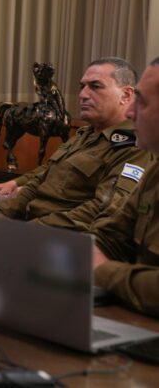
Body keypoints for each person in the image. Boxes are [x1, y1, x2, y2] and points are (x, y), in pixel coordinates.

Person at [0, 58, 152, 230]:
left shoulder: (134, 145)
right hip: (31, 223)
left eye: (95, 86)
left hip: (60, 233)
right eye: (82, 87)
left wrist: (29, 231)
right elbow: (40, 180)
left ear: (126, 95)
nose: (83, 95)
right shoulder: (85, 134)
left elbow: (102, 209)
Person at [90, 58, 159, 316]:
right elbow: (112, 236)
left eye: (142, 102)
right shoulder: (155, 172)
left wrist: (102, 270)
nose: (130, 113)